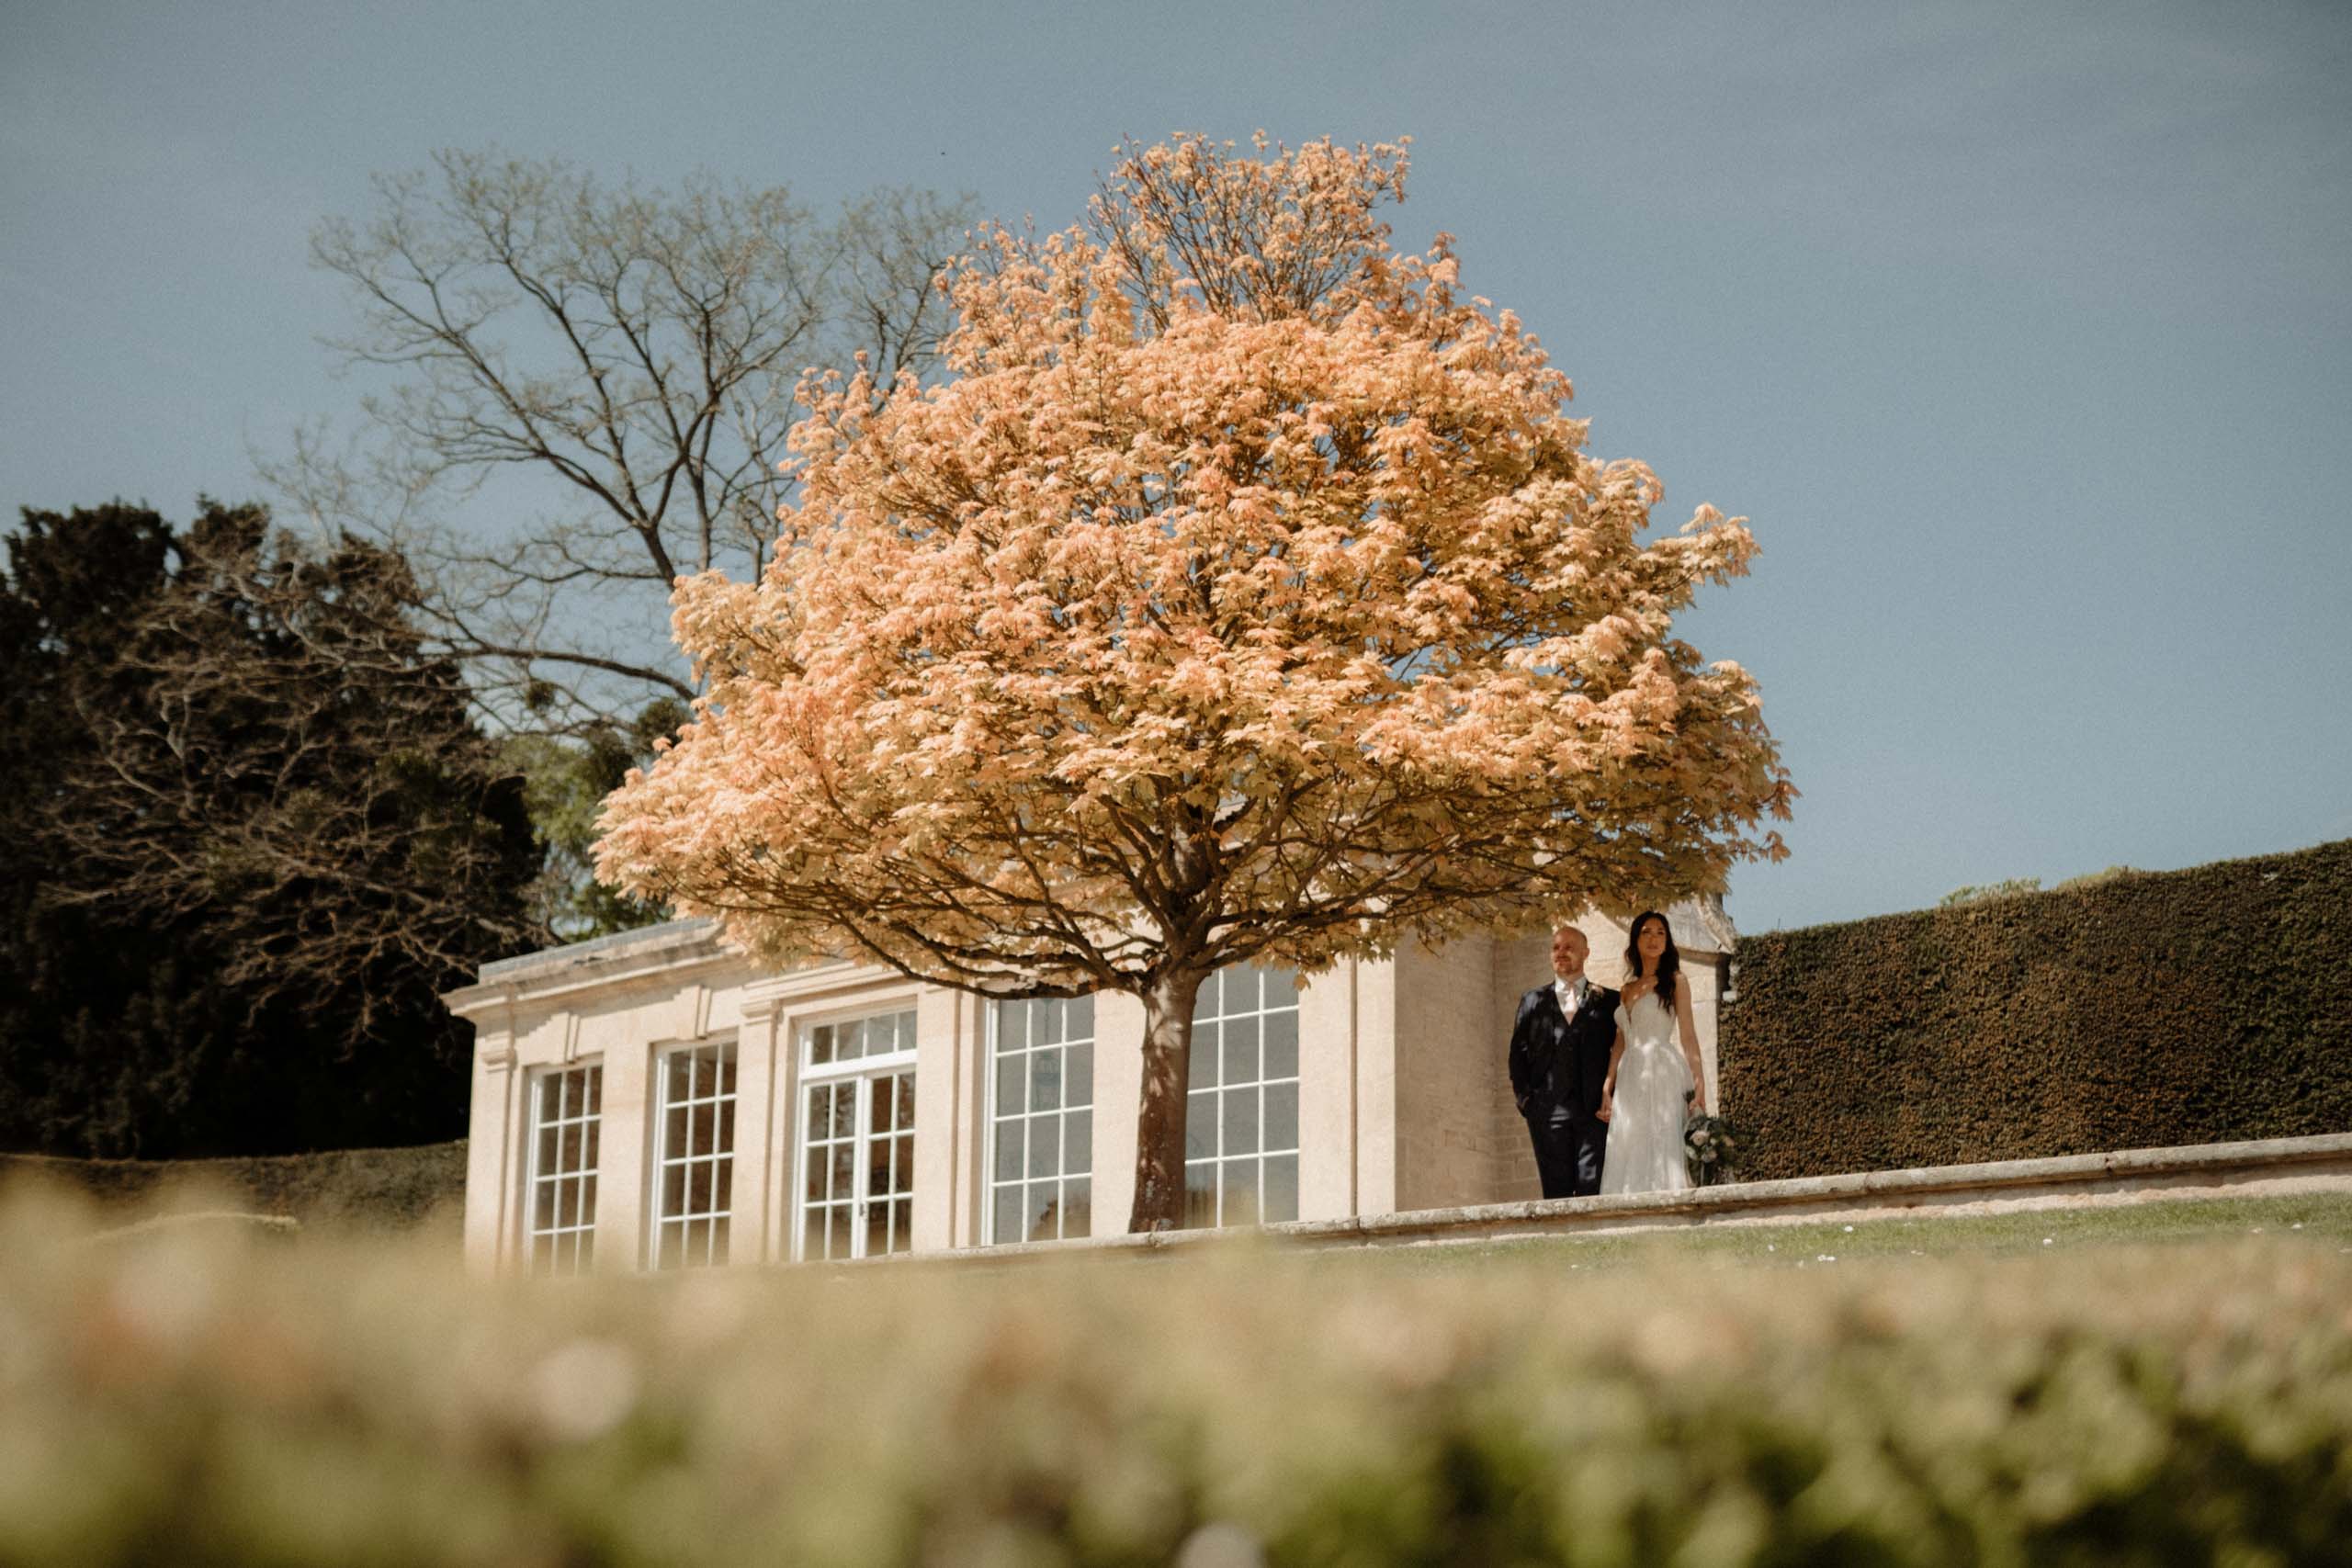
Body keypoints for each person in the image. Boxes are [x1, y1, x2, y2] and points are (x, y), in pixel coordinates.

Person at [1598, 910, 1710, 1196]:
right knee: (1631, 1139)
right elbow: (1620, 1042)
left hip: (1662, 1067)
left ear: (1668, 941)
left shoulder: (1675, 980)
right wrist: (1608, 1084)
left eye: (1661, 932)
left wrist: (1699, 1085)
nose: (1654, 938)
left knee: (1661, 1135)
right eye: (1647, 931)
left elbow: (1688, 1035)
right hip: (1631, 1074)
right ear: (1635, 939)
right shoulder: (1626, 989)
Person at [1507, 926, 1618, 1198]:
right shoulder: (1532, 1001)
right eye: (1556, 948)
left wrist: (1611, 1095)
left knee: (1592, 1189)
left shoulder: (1609, 1001)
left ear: (1586, 953)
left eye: (1569, 947)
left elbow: (1619, 1052)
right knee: (1555, 1194)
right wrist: (1526, 1101)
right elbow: (1517, 1055)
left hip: (1594, 1114)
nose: (1561, 953)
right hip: (1546, 1113)